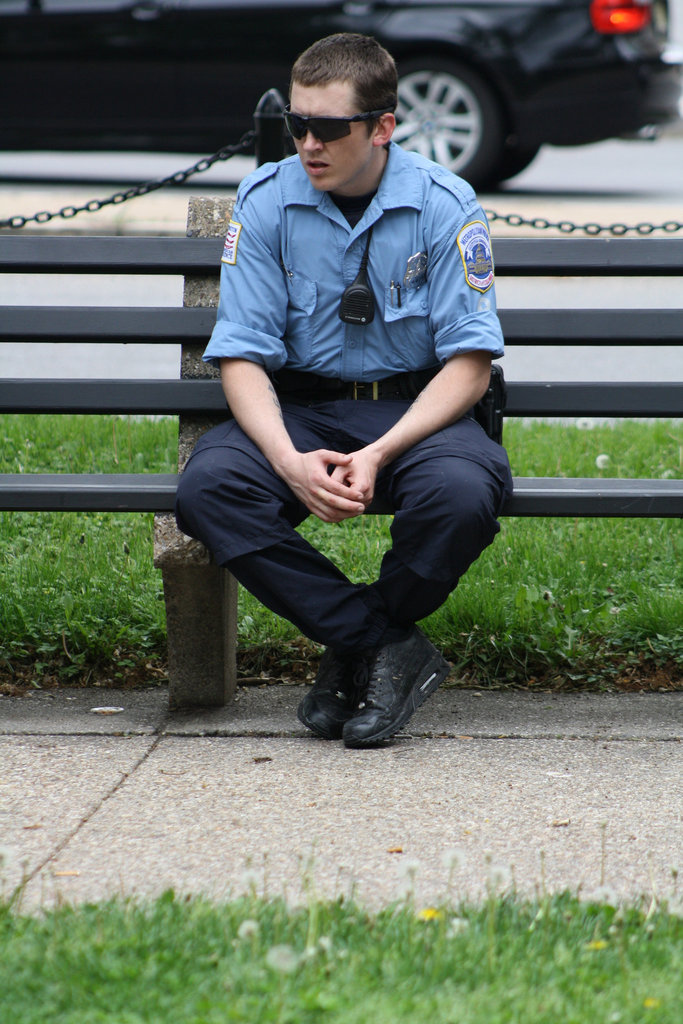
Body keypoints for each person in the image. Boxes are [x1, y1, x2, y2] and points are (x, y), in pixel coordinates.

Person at [176, 33, 512, 748]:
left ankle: (350, 653)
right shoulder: (266, 200)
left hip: (418, 411)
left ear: (382, 126)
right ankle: (379, 642)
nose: (307, 143)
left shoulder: (443, 204)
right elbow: (241, 355)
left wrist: (384, 451)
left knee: (460, 496)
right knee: (210, 488)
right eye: (298, 123)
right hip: (298, 409)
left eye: (328, 128)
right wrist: (289, 460)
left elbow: (470, 363)